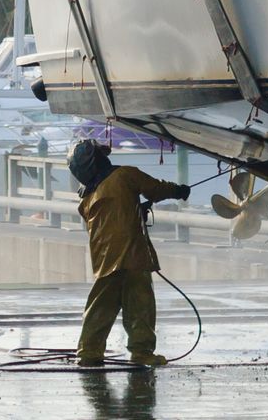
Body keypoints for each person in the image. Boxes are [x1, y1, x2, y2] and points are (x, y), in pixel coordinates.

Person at [69, 139, 190, 368]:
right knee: (140, 305)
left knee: (100, 307)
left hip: (105, 259)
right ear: (98, 160)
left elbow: (110, 214)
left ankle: (89, 352)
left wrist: (134, 209)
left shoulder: (86, 198)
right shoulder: (125, 175)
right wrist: (179, 190)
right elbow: (155, 188)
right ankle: (142, 352)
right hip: (132, 254)